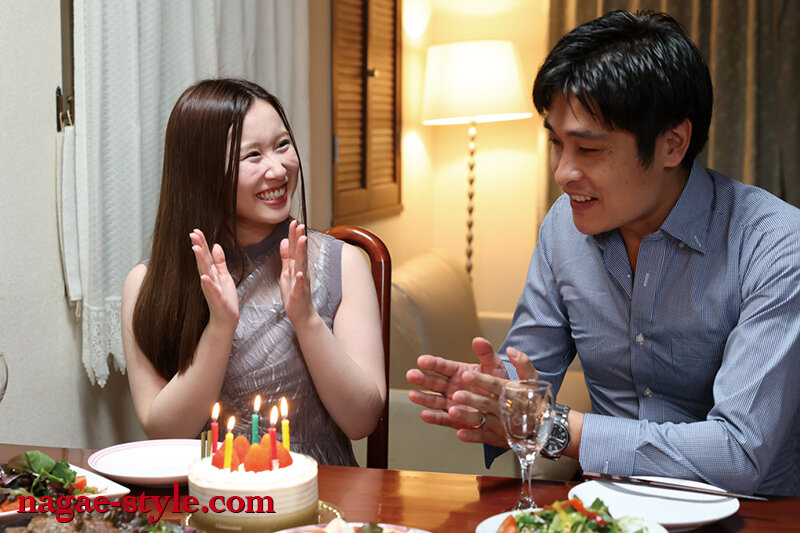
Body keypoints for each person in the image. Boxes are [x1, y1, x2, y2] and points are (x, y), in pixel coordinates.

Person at [407, 10, 800, 496]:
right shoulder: (563, 226)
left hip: (749, 514)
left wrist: (557, 428)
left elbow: (741, 451)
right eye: (556, 143)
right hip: (603, 509)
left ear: (673, 144)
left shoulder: (774, 242)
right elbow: (529, 371)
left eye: (588, 150)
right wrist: (489, 394)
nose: (562, 173)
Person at [121, 78, 386, 466]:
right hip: (207, 495)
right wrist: (220, 328)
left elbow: (362, 420)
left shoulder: (343, 263)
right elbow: (165, 433)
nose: (278, 169)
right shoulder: (148, 285)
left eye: (282, 145)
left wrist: (306, 319)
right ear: (202, 171)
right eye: (253, 155)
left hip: (318, 492)